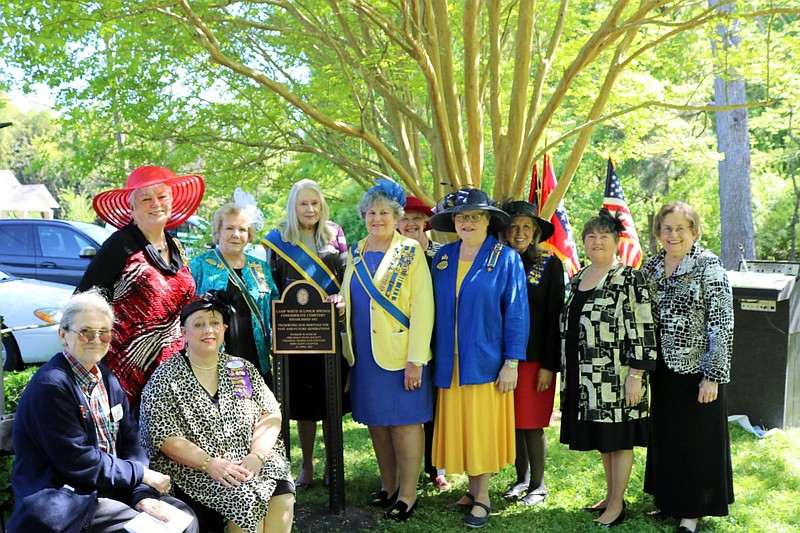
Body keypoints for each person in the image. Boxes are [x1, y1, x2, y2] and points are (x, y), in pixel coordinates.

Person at [9, 289, 198, 533]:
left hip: (110, 489)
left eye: (104, 333)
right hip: (68, 498)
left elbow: (132, 443)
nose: (96, 340)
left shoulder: (107, 379)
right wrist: (141, 475)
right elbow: (79, 461)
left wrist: (140, 494)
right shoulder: (51, 386)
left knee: (184, 517)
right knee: (149, 530)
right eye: (86, 332)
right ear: (63, 335)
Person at [140, 291, 294, 533]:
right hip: (196, 469)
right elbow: (163, 437)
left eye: (214, 323)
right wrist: (209, 464)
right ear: (184, 333)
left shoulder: (240, 368)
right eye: (198, 324)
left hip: (250, 459)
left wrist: (257, 455)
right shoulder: (165, 378)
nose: (208, 330)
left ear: (223, 329)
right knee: (244, 499)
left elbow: (270, 413)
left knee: (281, 491)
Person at [332, 179, 434, 522]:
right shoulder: (356, 251)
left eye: (385, 212)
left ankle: (408, 493)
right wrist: (340, 306)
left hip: (401, 354)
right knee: (377, 423)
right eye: (372, 212)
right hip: (364, 355)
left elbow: (423, 307)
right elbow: (353, 296)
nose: (377, 218)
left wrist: (416, 360)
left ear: (396, 216)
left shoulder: (410, 251)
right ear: (364, 216)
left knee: (405, 423)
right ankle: (388, 486)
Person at [429, 188, 529, 529]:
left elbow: (516, 313)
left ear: (488, 220)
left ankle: (483, 495)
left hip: (486, 360)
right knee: (463, 428)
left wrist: (511, 362)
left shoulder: (505, 258)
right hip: (448, 360)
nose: (467, 222)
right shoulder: (442, 257)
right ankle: (471, 491)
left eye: (474, 216)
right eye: (461, 216)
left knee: (480, 429)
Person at [559, 209, 657, 528]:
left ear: (616, 241)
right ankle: (610, 494)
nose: (597, 241)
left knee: (619, 439)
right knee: (605, 438)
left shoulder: (629, 277)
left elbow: (643, 325)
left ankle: (617, 504)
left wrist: (636, 375)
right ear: (584, 243)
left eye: (604, 236)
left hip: (618, 375)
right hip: (587, 378)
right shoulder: (578, 277)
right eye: (591, 236)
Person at [78, 165, 203, 410]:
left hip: (172, 371)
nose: (155, 203)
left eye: (162, 196)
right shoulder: (119, 245)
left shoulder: (175, 245)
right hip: (126, 375)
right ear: (132, 208)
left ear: (171, 201)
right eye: (146, 199)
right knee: (133, 445)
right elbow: (84, 300)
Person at [643, 201, 734, 533]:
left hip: (699, 369)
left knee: (697, 441)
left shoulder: (709, 267)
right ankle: (668, 499)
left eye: (681, 228)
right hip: (662, 369)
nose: (673, 235)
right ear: (658, 232)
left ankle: (692, 511)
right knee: (667, 436)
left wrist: (713, 376)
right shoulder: (650, 267)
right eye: (667, 228)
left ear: (695, 231)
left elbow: (722, 325)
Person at [262, 178, 349, 490]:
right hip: (294, 337)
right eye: (303, 203)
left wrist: (343, 299)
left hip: (329, 333)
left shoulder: (335, 234)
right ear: (293, 206)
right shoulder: (278, 239)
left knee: (330, 404)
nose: (310, 209)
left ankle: (332, 466)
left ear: (322, 204)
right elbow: (270, 288)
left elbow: (346, 278)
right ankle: (306, 467)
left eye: (315, 203)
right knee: (303, 406)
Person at [500, 200, 563, 507]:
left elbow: (555, 319)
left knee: (531, 422)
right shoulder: (498, 262)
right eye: (513, 226)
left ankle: (538, 484)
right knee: (513, 422)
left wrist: (549, 365)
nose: (519, 231)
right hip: (502, 358)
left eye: (526, 226)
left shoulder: (550, 264)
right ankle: (520, 479)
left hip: (536, 358)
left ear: (536, 231)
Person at [190, 188, 278, 382]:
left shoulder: (261, 267)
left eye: (242, 230)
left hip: (256, 355)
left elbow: (275, 306)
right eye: (229, 228)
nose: (236, 234)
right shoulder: (200, 265)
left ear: (250, 235)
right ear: (218, 231)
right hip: (213, 355)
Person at [396, 195, 449, 491]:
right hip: (403, 342)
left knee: (436, 406)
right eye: (405, 218)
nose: (411, 223)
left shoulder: (444, 255)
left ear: (426, 222)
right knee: (407, 409)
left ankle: (435, 466)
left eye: (417, 218)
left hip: (439, 339)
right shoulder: (392, 256)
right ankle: (404, 470)